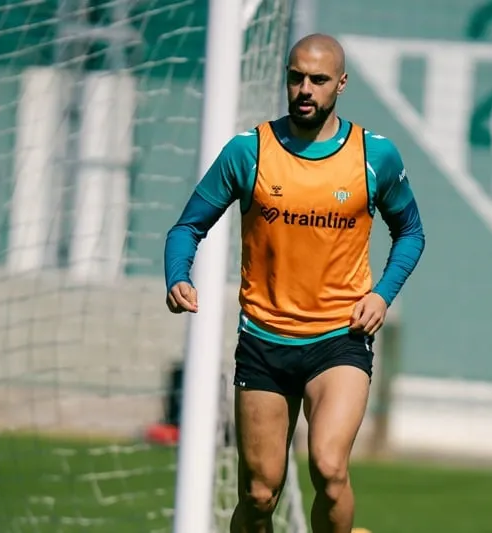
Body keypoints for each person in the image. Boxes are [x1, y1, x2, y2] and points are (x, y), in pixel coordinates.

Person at [163, 33, 425, 533]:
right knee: (259, 495)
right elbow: (186, 228)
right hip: (263, 342)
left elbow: (411, 232)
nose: (305, 89)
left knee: (329, 467)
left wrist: (382, 294)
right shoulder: (249, 152)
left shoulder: (375, 156)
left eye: (318, 80)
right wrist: (179, 276)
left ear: (341, 84)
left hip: (340, 338)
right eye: (296, 77)